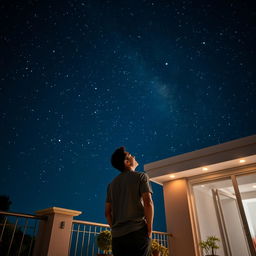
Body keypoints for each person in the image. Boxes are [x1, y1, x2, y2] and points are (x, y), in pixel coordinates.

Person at [105, 146, 154, 256]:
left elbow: (107, 213)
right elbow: (148, 202)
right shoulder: (141, 176)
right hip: (137, 233)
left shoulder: (111, 185)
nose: (134, 156)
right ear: (127, 162)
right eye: (131, 155)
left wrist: (116, 228)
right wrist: (149, 229)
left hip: (117, 238)